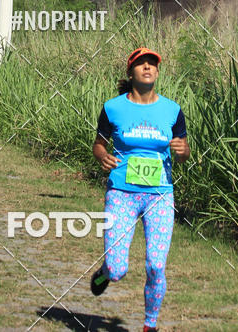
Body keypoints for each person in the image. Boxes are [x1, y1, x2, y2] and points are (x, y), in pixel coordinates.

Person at [90, 47, 190, 332]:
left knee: (156, 266)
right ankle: (105, 272)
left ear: (157, 72)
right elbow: (98, 144)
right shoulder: (113, 108)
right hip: (121, 193)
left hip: (160, 195)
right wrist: (102, 155)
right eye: (141, 64)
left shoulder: (172, 110)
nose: (147, 67)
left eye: (152, 64)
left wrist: (183, 151)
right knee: (118, 269)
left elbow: (184, 153)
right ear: (130, 72)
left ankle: (150, 324)